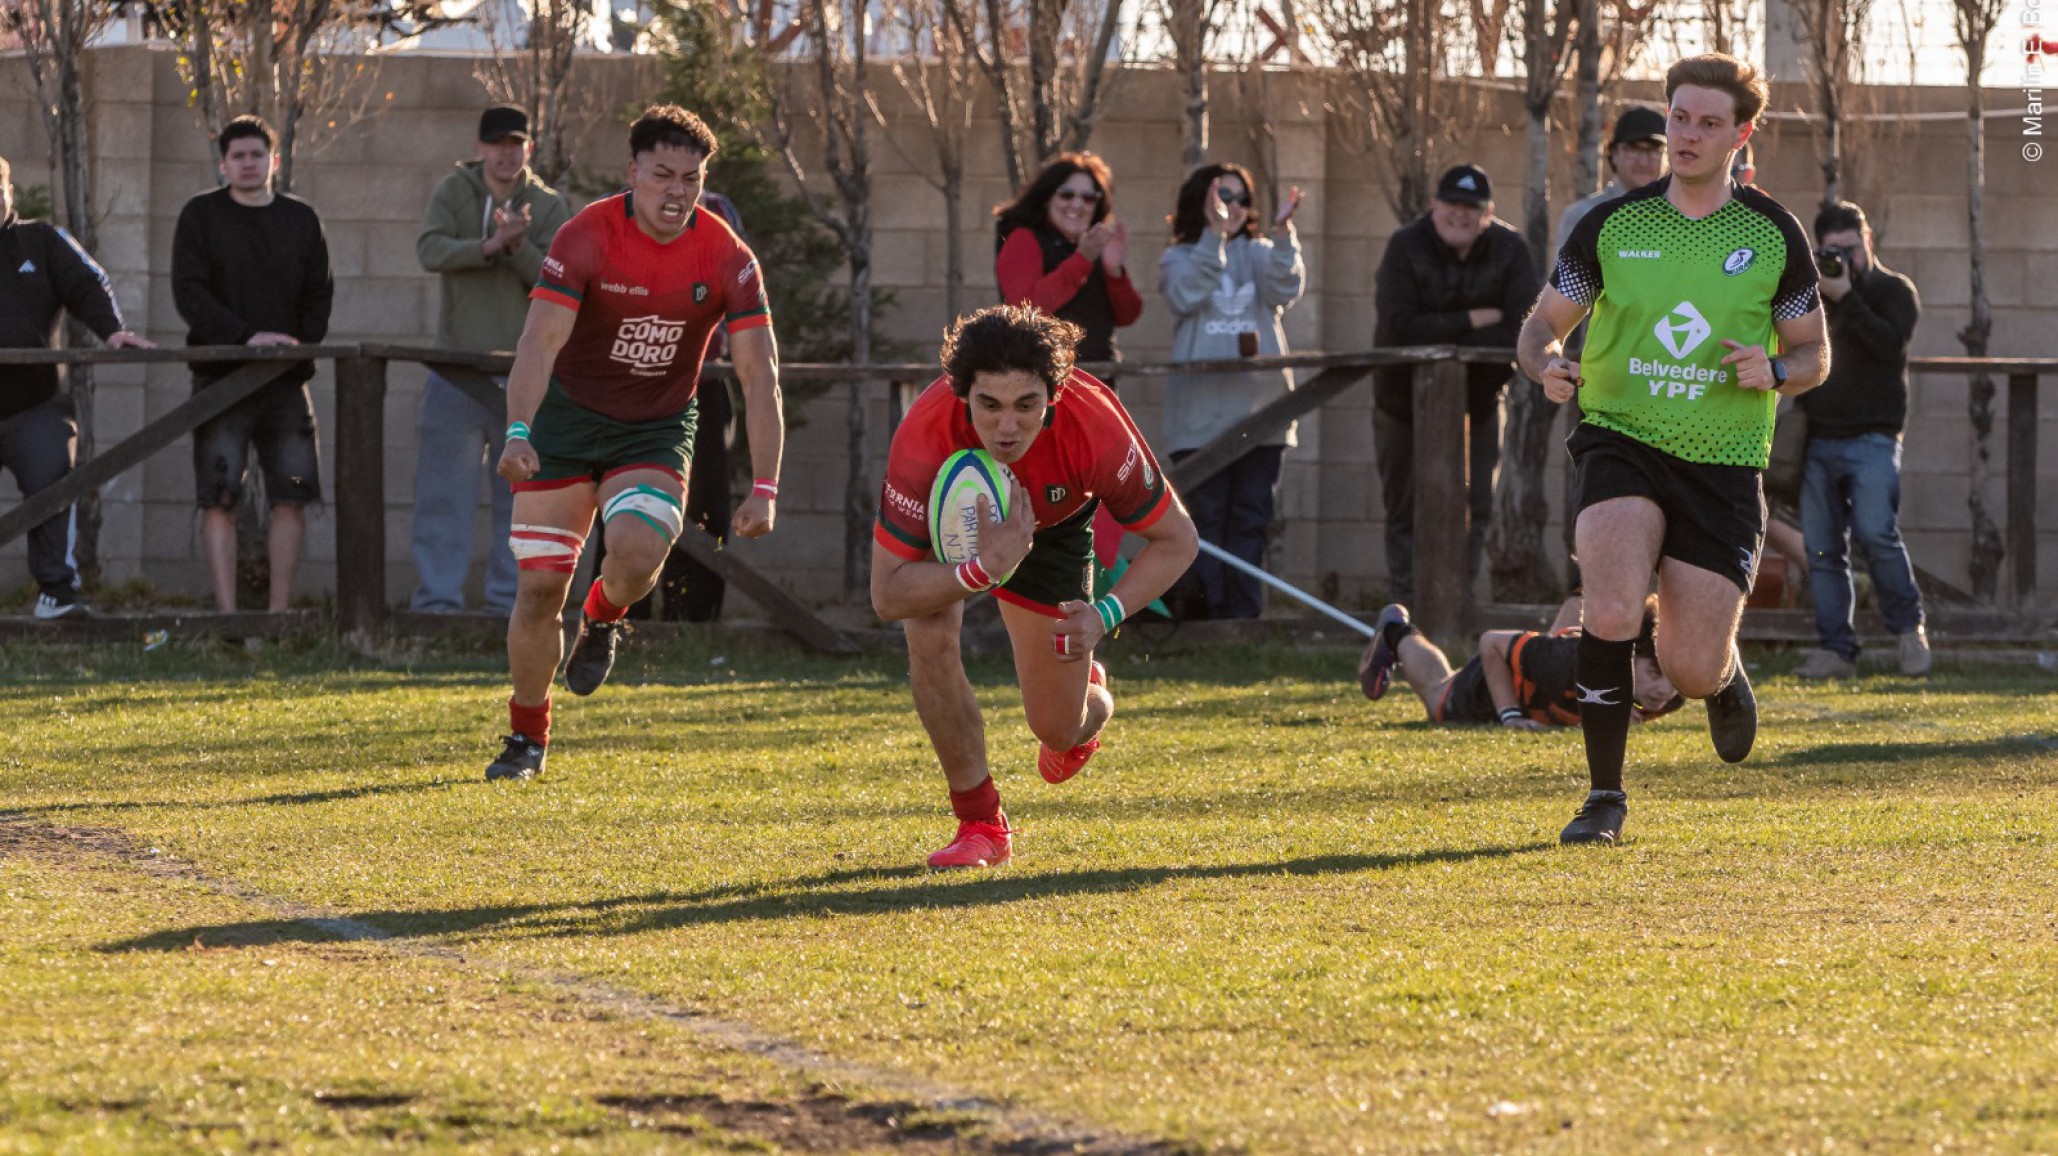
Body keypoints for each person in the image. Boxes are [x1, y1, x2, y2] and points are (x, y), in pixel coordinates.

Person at [1516, 53, 1830, 846]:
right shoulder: (1615, 224)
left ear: (1741, 135)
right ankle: (1603, 797)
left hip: (1723, 461)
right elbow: (1539, 323)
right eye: (1678, 117)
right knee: (1613, 606)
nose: (1686, 135)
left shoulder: (1771, 234)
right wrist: (1544, 363)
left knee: (1685, 666)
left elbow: (1814, 354)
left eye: (1707, 123)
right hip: (1620, 438)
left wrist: (1777, 369)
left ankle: (1721, 676)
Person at [488, 104, 784, 783]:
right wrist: (518, 429)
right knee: (537, 590)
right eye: (662, 175)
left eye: (692, 178)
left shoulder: (728, 256)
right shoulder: (585, 234)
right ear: (633, 173)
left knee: (640, 549)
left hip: (654, 426)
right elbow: (541, 340)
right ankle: (526, 737)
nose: (677, 192)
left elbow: (758, 373)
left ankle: (602, 616)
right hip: (564, 424)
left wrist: (765, 485)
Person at [871, 305, 1198, 869]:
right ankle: (981, 823)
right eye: (988, 405)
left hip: (1055, 526)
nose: (1006, 428)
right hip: (962, 529)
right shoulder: (925, 434)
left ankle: (1088, 699)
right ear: (961, 395)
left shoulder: (1094, 426)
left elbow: (1178, 541)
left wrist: (1103, 614)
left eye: (1026, 406)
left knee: (1057, 731)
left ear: (1055, 394)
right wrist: (981, 568)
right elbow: (888, 595)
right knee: (925, 632)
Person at [411, 105, 572, 616]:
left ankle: (509, 609)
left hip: (526, 378)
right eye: (497, 143)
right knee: (443, 498)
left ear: (528, 147)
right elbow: (429, 251)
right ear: (479, 148)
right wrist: (487, 245)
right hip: (455, 372)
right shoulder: (453, 193)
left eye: (516, 143)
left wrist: (518, 246)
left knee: (520, 501)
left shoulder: (547, 205)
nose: (507, 153)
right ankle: (437, 606)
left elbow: (561, 278)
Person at [172, 114, 334, 615]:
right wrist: (246, 338)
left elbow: (319, 295)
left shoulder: (302, 219)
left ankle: (278, 617)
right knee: (218, 499)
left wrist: (296, 345)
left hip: (287, 383)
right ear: (223, 164)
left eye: (256, 155)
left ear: (274, 161)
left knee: (292, 497)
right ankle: (227, 617)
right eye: (237, 156)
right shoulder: (200, 215)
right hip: (220, 377)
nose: (247, 164)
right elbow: (189, 293)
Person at [1372, 162, 1538, 603]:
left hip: (1479, 403)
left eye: (1473, 206)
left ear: (1488, 212)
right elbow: (1397, 328)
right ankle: (1405, 616)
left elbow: (1526, 330)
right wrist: (1473, 319)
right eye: (1452, 204)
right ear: (1433, 205)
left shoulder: (1510, 249)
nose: (1461, 214)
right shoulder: (1404, 246)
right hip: (1400, 404)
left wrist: (1441, 329)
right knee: (1404, 510)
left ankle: (1454, 608)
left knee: (1475, 507)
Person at [0, 152, 154, 619]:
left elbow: (88, 283)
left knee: (51, 479)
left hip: (35, 404)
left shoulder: (41, 240)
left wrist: (112, 329)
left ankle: (56, 592)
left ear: (6, 190)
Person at [1158, 163, 1306, 619]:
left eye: (1242, 199)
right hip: (1198, 420)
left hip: (1261, 416)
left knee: (1250, 520)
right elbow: (1185, 296)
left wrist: (1284, 236)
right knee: (1204, 523)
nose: (1235, 208)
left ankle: (1244, 621)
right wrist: (1214, 239)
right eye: (1224, 197)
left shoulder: (1262, 253)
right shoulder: (1177, 257)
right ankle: (1207, 622)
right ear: (1201, 202)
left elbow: (1287, 287)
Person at [1793, 199, 1927, 679]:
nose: (1843, 260)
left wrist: (1847, 294)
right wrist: (1822, 291)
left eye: (1850, 249)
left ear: (1867, 241)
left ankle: (1909, 631)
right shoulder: (1812, 296)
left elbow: (1889, 345)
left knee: (1877, 534)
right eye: (1831, 252)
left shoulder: (1894, 290)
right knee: (1824, 552)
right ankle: (1837, 651)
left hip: (1873, 438)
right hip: (1818, 439)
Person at [1358, 597, 1684, 727]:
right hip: (1494, 684)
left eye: (1671, 677)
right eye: (1655, 673)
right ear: (1626, 656)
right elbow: (1491, 643)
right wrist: (1510, 716)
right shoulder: (1568, 663)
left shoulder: (1673, 692)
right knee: (1437, 696)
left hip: (1546, 678)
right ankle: (1394, 631)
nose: (1663, 690)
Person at [994, 153, 1143, 364]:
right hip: (1042, 377)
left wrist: (1114, 271)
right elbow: (1024, 309)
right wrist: (1082, 260)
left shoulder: (1095, 244)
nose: (1077, 205)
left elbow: (1128, 315)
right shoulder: (1023, 238)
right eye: (1066, 195)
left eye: (1088, 198)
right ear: (1047, 199)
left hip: (1098, 376)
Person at [1554, 106, 1669, 263]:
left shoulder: (1678, 218)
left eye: (1653, 150)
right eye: (1633, 150)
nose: (1643, 161)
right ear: (1613, 153)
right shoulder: (1584, 216)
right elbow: (1565, 284)